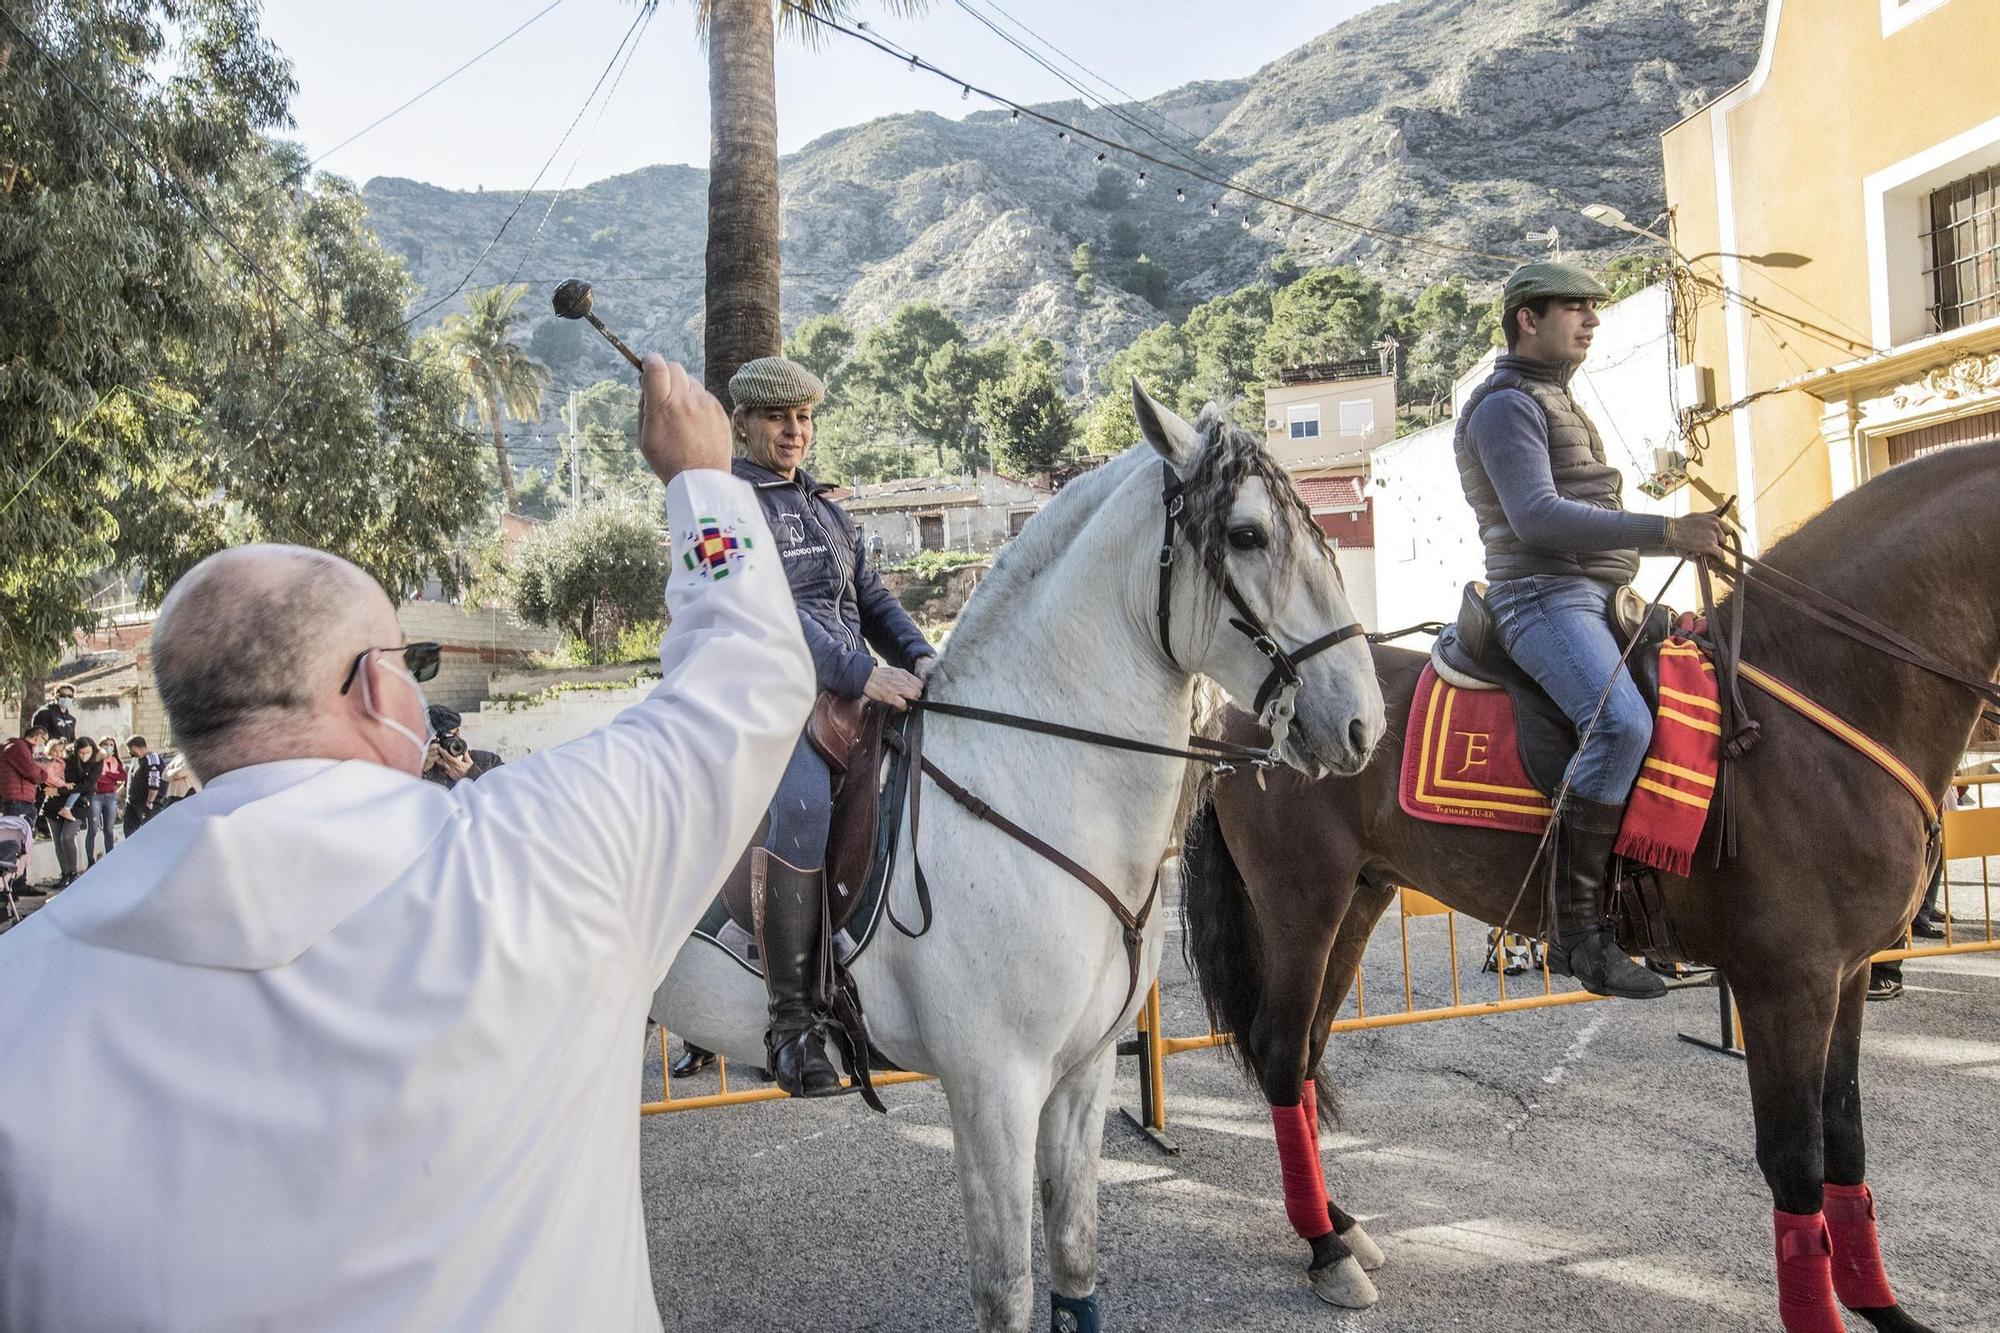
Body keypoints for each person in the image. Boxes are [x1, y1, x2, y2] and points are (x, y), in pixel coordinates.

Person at [0, 357, 813, 1330]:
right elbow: (750, 669)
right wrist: (702, 477)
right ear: (378, 689)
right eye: (409, 663)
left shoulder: (25, 983)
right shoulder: (547, 852)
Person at [1456, 261, 1733, 1002]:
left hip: (1600, 594)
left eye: (1594, 306)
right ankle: (1578, 931)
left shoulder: (1553, 399)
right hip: (1541, 597)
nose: (1593, 318)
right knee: (1618, 725)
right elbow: (1538, 517)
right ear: (1527, 319)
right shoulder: (1504, 407)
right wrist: (1668, 528)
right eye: (1575, 306)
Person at [726, 355, 939, 1098]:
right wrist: (860, 673)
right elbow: (768, 615)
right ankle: (790, 1025)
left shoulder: (828, 510)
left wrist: (919, 654)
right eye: (779, 417)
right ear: (743, 423)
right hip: (780, 696)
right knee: (803, 803)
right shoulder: (731, 509)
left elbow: (873, 600)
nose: (795, 430)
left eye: (805, 417)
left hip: (853, 692)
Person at [50, 737, 101, 888]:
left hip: (80, 803)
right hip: (57, 802)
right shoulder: (70, 760)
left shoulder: (97, 761)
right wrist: (62, 789)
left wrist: (60, 789)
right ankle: (65, 873)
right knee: (58, 841)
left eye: (87, 753)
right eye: (81, 753)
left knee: (67, 836)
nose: (84, 756)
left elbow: (86, 785)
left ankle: (73, 874)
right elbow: (68, 781)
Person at [422, 704, 504, 789]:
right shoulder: (417, 770)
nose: (447, 743)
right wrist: (421, 770)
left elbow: (507, 794)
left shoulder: (489, 761)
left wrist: (472, 775)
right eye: (441, 739)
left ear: (458, 732)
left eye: (452, 736)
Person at [88, 735, 125, 866]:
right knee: (92, 829)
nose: (108, 747)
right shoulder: (96, 760)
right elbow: (98, 778)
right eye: (105, 744)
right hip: (96, 796)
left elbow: (122, 775)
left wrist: (108, 775)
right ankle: (90, 861)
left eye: (111, 745)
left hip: (111, 796)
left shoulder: (115, 761)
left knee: (109, 830)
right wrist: (111, 778)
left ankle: (110, 859)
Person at [1, 725, 49, 823]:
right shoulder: (18, 747)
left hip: (16, 799)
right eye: (44, 740)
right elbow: (32, 772)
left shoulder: (19, 747)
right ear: (38, 736)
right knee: (16, 835)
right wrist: (44, 773)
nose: (44, 745)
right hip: (17, 801)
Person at [122, 734, 166, 836]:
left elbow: (154, 783)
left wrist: (149, 803)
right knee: (129, 833)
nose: (130, 753)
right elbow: (130, 780)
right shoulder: (135, 760)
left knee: (150, 833)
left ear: (134, 747)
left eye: (129, 749)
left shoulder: (152, 759)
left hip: (146, 804)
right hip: (132, 804)